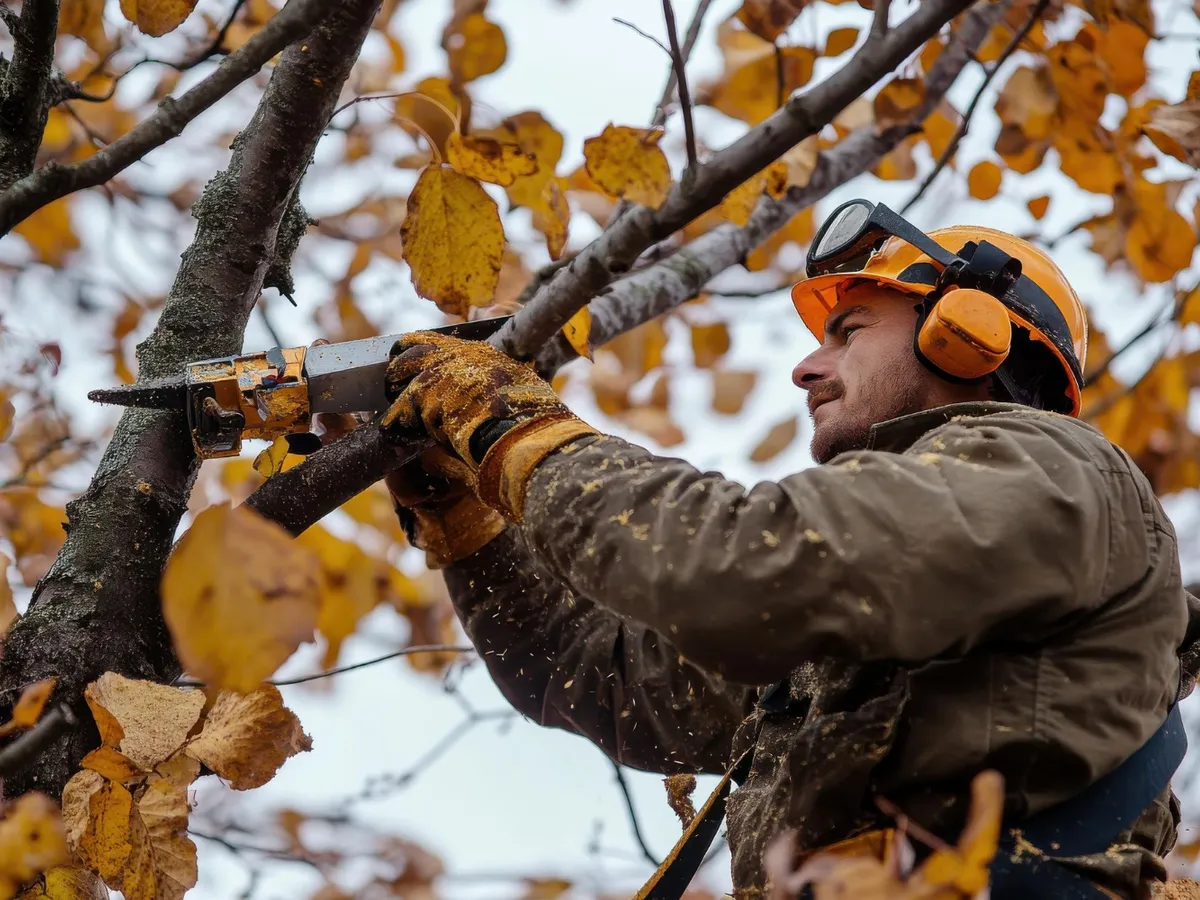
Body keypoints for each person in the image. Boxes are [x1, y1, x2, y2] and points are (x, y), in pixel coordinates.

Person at [376, 200, 1200, 900]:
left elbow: (728, 562)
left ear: (965, 335)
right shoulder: (864, 613)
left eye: (847, 330)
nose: (808, 367)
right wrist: (467, 524)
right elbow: (593, 673)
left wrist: (516, 432)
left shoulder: (1055, 468)